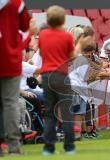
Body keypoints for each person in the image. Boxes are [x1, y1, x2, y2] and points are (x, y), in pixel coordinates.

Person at [38, 5, 76, 155]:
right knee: (66, 112)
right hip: (61, 75)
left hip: (47, 75)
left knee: (49, 113)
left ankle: (48, 147)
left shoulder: (42, 35)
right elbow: (72, 56)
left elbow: (41, 53)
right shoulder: (67, 36)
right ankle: (69, 146)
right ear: (62, 19)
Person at [0, 0, 36, 155]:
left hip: (10, 57)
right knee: (10, 103)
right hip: (9, 58)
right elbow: (26, 28)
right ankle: (14, 146)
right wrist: (18, 47)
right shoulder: (16, 3)